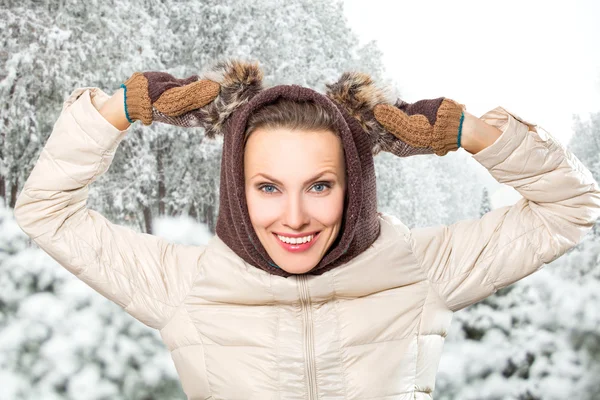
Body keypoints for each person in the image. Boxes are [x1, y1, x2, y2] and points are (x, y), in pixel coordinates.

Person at [14, 59, 600, 399]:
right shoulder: (185, 284)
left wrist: (466, 131)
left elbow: (570, 207)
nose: (294, 216)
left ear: (356, 185)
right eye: (268, 187)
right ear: (236, 191)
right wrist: (124, 106)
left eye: (319, 185)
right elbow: (46, 210)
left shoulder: (418, 272)